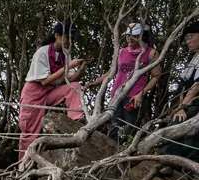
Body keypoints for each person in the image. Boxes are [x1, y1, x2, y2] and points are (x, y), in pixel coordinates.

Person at [19, 21, 86, 155]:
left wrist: (81, 68)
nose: (70, 42)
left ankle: (76, 119)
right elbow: (44, 81)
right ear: (57, 35)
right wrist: (68, 66)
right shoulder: (42, 53)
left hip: (50, 91)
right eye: (68, 38)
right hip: (34, 93)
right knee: (30, 133)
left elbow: (70, 80)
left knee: (75, 87)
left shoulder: (65, 54)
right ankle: (23, 167)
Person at [90, 23, 155, 140]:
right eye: (128, 35)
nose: (129, 38)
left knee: (129, 130)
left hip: (134, 97)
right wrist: (96, 82)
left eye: (134, 35)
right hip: (117, 95)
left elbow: (156, 76)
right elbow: (112, 71)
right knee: (113, 127)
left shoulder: (151, 53)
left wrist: (142, 93)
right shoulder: (122, 52)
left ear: (143, 36)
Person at [158, 19, 199, 161]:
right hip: (190, 102)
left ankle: (167, 161)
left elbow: (197, 86)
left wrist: (182, 107)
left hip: (194, 104)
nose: (188, 41)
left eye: (190, 37)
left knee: (177, 123)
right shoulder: (194, 57)